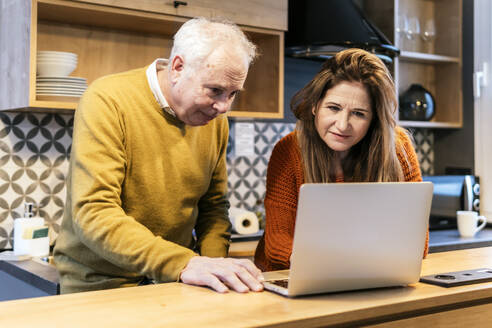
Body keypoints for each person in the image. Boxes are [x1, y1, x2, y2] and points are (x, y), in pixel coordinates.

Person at [54, 17, 264, 294]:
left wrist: (213, 266)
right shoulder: (108, 99)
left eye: (233, 93)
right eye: (215, 90)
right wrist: (186, 263)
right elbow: (94, 212)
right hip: (101, 285)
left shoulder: (214, 119)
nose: (224, 106)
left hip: (172, 282)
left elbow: (213, 208)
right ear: (178, 67)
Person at [254, 48, 427, 272]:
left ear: (373, 119)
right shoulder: (289, 150)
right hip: (292, 274)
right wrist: (330, 266)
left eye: (359, 113)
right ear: (315, 105)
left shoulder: (398, 148)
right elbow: (277, 241)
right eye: (334, 108)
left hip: (368, 273)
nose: (343, 125)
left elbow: (416, 244)